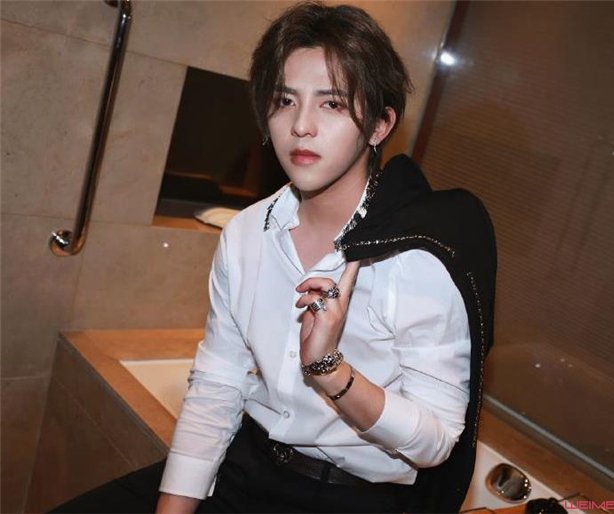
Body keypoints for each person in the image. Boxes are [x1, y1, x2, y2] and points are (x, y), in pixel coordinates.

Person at [51, 2, 496, 513]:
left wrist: (330, 371)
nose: (301, 125)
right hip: (247, 466)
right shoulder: (246, 234)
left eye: (331, 103)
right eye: (285, 100)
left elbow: (435, 444)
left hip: (351, 498)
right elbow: (218, 384)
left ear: (379, 126)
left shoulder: (415, 256)